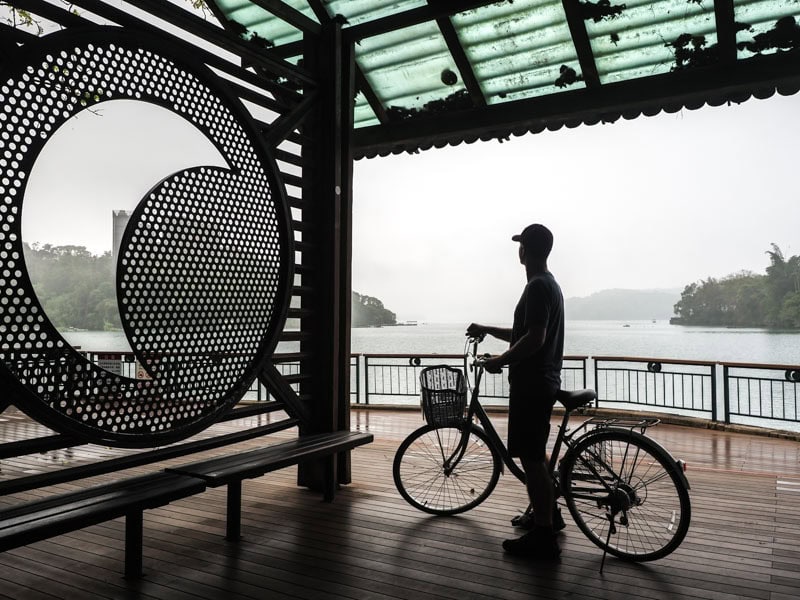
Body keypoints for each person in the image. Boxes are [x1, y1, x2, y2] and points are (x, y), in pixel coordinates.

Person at [466, 223, 565, 560]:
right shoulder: (548, 285)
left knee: (532, 460)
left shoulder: (537, 287)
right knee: (536, 456)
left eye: (520, 245)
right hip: (543, 381)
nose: (518, 250)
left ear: (525, 251)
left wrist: (501, 361)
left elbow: (534, 339)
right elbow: (524, 331)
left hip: (532, 385)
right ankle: (549, 514)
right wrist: (488, 330)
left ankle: (544, 536)